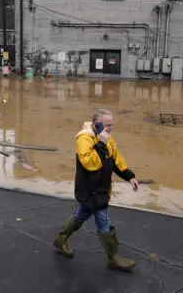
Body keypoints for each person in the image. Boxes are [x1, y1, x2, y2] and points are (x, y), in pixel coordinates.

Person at [53, 108, 139, 270]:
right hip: (90, 190)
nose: (109, 129)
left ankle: (61, 240)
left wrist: (129, 176)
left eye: (111, 125)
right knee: (103, 221)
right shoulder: (84, 139)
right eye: (106, 125)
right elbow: (90, 164)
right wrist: (100, 143)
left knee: (82, 214)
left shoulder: (108, 138)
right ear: (95, 124)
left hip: (102, 188)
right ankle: (113, 257)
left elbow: (116, 158)